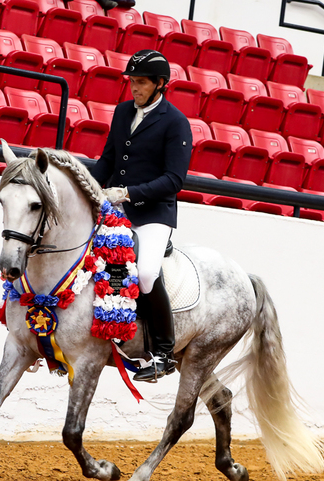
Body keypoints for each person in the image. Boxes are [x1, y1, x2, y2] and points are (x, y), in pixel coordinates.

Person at [89, 49, 192, 383]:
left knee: (146, 274)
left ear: (160, 84)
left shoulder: (176, 123)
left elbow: (174, 180)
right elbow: (108, 160)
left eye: (141, 82)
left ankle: (163, 353)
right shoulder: (121, 112)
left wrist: (130, 192)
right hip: (116, 209)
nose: (134, 88)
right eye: (132, 81)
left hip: (153, 214)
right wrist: (87, 184)